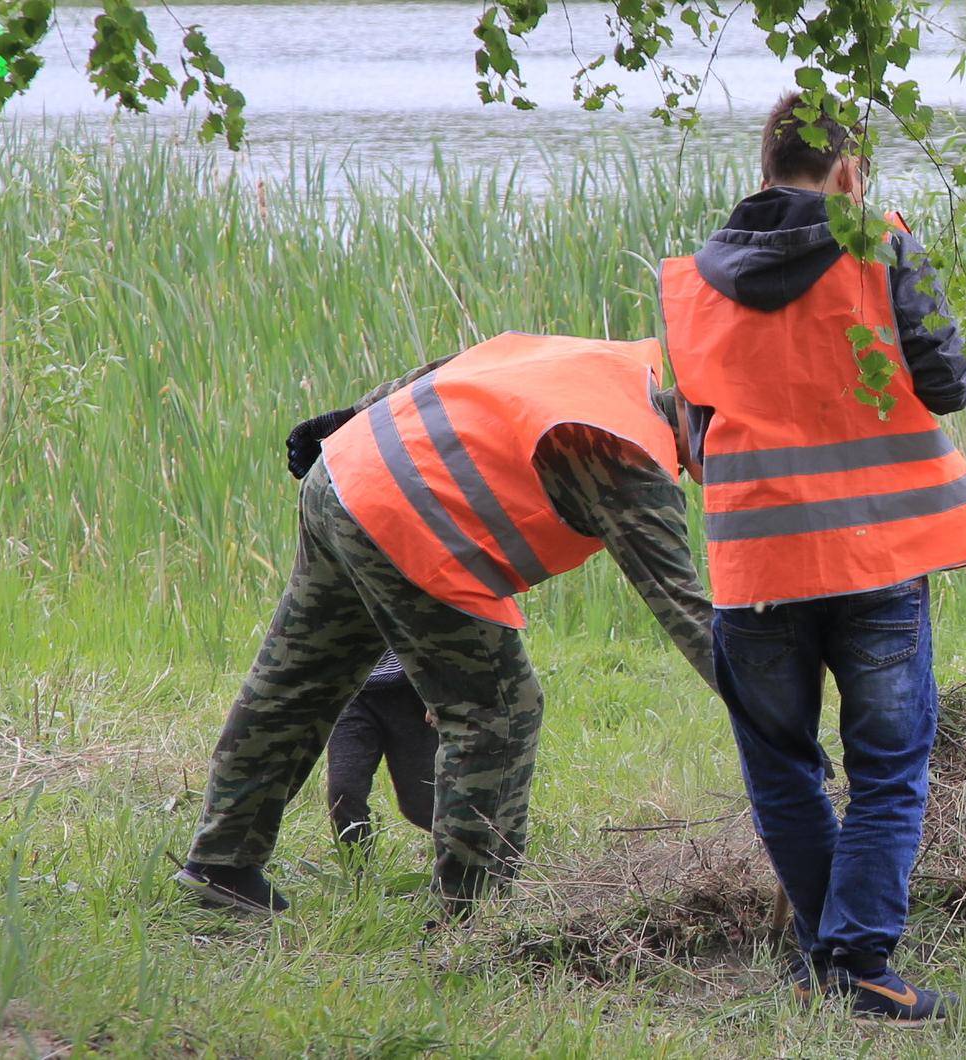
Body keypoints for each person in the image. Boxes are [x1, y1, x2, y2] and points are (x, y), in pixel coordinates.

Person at [657, 91, 966, 1025]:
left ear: (763, 168)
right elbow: (946, 382)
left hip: (754, 566)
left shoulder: (689, 282)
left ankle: (831, 963)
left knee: (782, 772)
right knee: (886, 768)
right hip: (872, 554)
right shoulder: (881, 245)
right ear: (848, 170)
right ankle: (857, 962)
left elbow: (691, 434)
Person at [178, 332, 717, 920]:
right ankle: (472, 913)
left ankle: (220, 864)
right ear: (709, 424)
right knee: (497, 710)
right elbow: (688, 614)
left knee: (298, 675)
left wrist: (353, 415)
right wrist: (773, 714)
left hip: (343, 469)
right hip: (405, 520)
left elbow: (463, 366)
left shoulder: (610, 366)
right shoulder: (632, 462)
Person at [323, 653, 438, 846]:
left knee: (423, 805)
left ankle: (482, 853)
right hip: (352, 692)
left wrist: (440, 688)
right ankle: (356, 864)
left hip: (413, 690)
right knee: (344, 792)